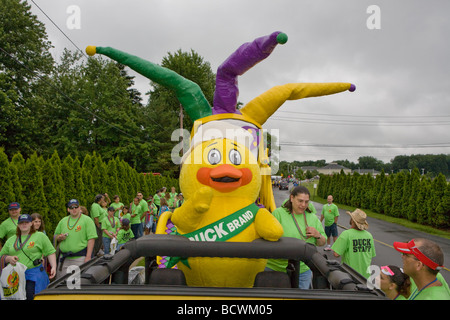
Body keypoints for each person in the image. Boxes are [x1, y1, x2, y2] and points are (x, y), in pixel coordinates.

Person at [266, 186, 326, 289]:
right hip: (275, 268)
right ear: (292, 198)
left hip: (302, 271)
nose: (303, 205)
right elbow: (267, 237)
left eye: (306, 202)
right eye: (300, 201)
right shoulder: (278, 213)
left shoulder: (313, 218)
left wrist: (318, 235)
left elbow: (322, 242)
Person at [0, 214, 57, 300]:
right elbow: (2, 255)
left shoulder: (40, 236)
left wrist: (54, 266)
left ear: (31, 224)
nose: (24, 224)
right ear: (18, 225)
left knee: (31, 296)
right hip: (16, 276)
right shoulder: (11, 239)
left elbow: (50, 252)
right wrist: (8, 258)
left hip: (33, 274)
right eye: (21, 222)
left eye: (26, 222)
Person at [54, 199, 98, 278]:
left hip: (80, 258)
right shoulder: (63, 221)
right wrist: (60, 238)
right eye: (71, 207)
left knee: (76, 285)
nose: (74, 209)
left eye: (76, 207)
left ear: (79, 208)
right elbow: (56, 236)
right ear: (68, 209)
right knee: (60, 284)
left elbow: (91, 239)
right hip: (64, 259)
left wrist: (88, 257)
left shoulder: (87, 220)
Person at [331, 209, 376, 279]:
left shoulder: (346, 234)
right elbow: (371, 254)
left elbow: (336, 254)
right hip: (366, 276)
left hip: (350, 274)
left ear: (352, 220)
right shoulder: (369, 235)